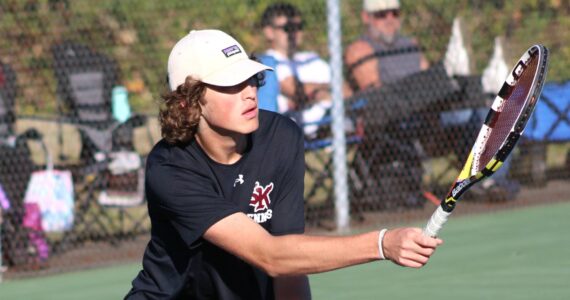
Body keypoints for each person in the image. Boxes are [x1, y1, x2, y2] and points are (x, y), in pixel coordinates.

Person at [125, 29, 443, 299]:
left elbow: (289, 259)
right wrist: (382, 244)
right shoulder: (169, 168)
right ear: (188, 101)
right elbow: (271, 255)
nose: (249, 93)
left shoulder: (281, 136)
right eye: (230, 84)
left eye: (250, 79)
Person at [257, 2, 351, 136]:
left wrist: (316, 93)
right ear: (269, 32)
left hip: (333, 117)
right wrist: (324, 90)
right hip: (296, 129)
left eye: (298, 27)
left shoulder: (311, 59)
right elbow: (296, 90)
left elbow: (347, 90)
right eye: (287, 28)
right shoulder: (268, 61)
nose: (294, 33)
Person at [344, 0, 429, 92]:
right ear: (366, 17)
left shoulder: (411, 45)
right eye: (381, 14)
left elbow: (429, 81)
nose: (390, 20)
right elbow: (376, 95)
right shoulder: (360, 50)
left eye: (395, 13)